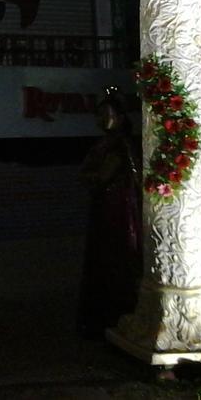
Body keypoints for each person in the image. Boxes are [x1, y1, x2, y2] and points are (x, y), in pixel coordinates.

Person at [77, 87, 141, 338]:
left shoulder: (120, 146)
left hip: (118, 210)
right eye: (99, 114)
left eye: (107, 113)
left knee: (116, 257)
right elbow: (87, 175)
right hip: (106, 206)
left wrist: (93, 176)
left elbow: (102, 175)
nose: (101, 119)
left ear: (121, 116)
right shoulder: (105, 145)